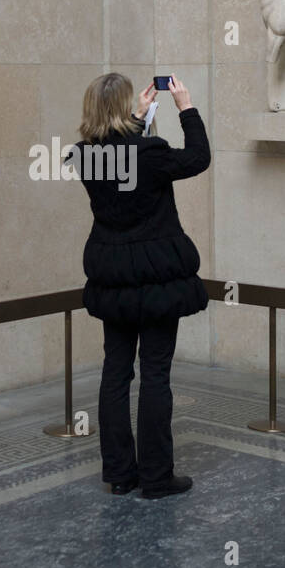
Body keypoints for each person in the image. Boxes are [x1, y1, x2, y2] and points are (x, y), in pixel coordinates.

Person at [73, 73, 210, 499]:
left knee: (115, 372)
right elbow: (198, 158)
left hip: (112, 273)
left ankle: (119, 473)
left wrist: (134, 120)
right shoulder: (150, 153)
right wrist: (186, 108)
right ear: (124, 109)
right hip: (153, 276)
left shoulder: (85, 157)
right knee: (155, 374)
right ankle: (156, 477)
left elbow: (117, 157)